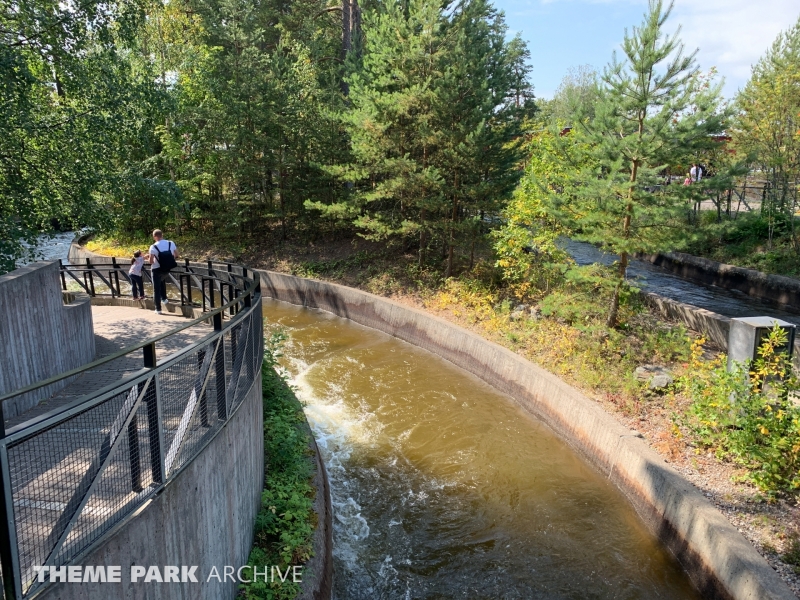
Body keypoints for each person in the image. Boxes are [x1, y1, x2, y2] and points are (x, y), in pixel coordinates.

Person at [148, 229, 178, 315]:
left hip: (156, 269)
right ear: (162, 235)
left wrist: (148, 258)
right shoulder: (170, 243)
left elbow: (151, 262)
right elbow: (176, 255)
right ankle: (164, 299)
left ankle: (158, 309)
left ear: (154, 237)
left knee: (156, 289)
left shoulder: (153, 247)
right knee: (162, 281)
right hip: (167, 269)